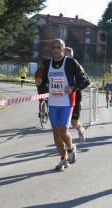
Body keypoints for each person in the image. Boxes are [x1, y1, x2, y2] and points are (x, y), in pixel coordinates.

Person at [37, 39, 88, 170]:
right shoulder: (48, 63)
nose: (56, 50)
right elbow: (44, 83)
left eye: (59, 47)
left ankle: (71, 148)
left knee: (63, 132)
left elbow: (85, 80)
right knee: (55, 134)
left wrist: (73, 88)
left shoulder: (71, 62)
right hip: (53, 102)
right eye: (53, 47)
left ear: (63, 50)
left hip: (67, 102)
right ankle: (63, 158)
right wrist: (39, 82)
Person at [64, 47, 90, 144]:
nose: (65, 58)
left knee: (74, 123)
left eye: (67, 56)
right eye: (64, 55)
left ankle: (81, 130)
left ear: (72, 56)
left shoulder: (75, 65)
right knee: (63, 123)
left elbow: (87, 81)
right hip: (63, 99)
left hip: (75, 98)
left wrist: (75, 88)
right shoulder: (60, 66)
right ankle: (67, 144)